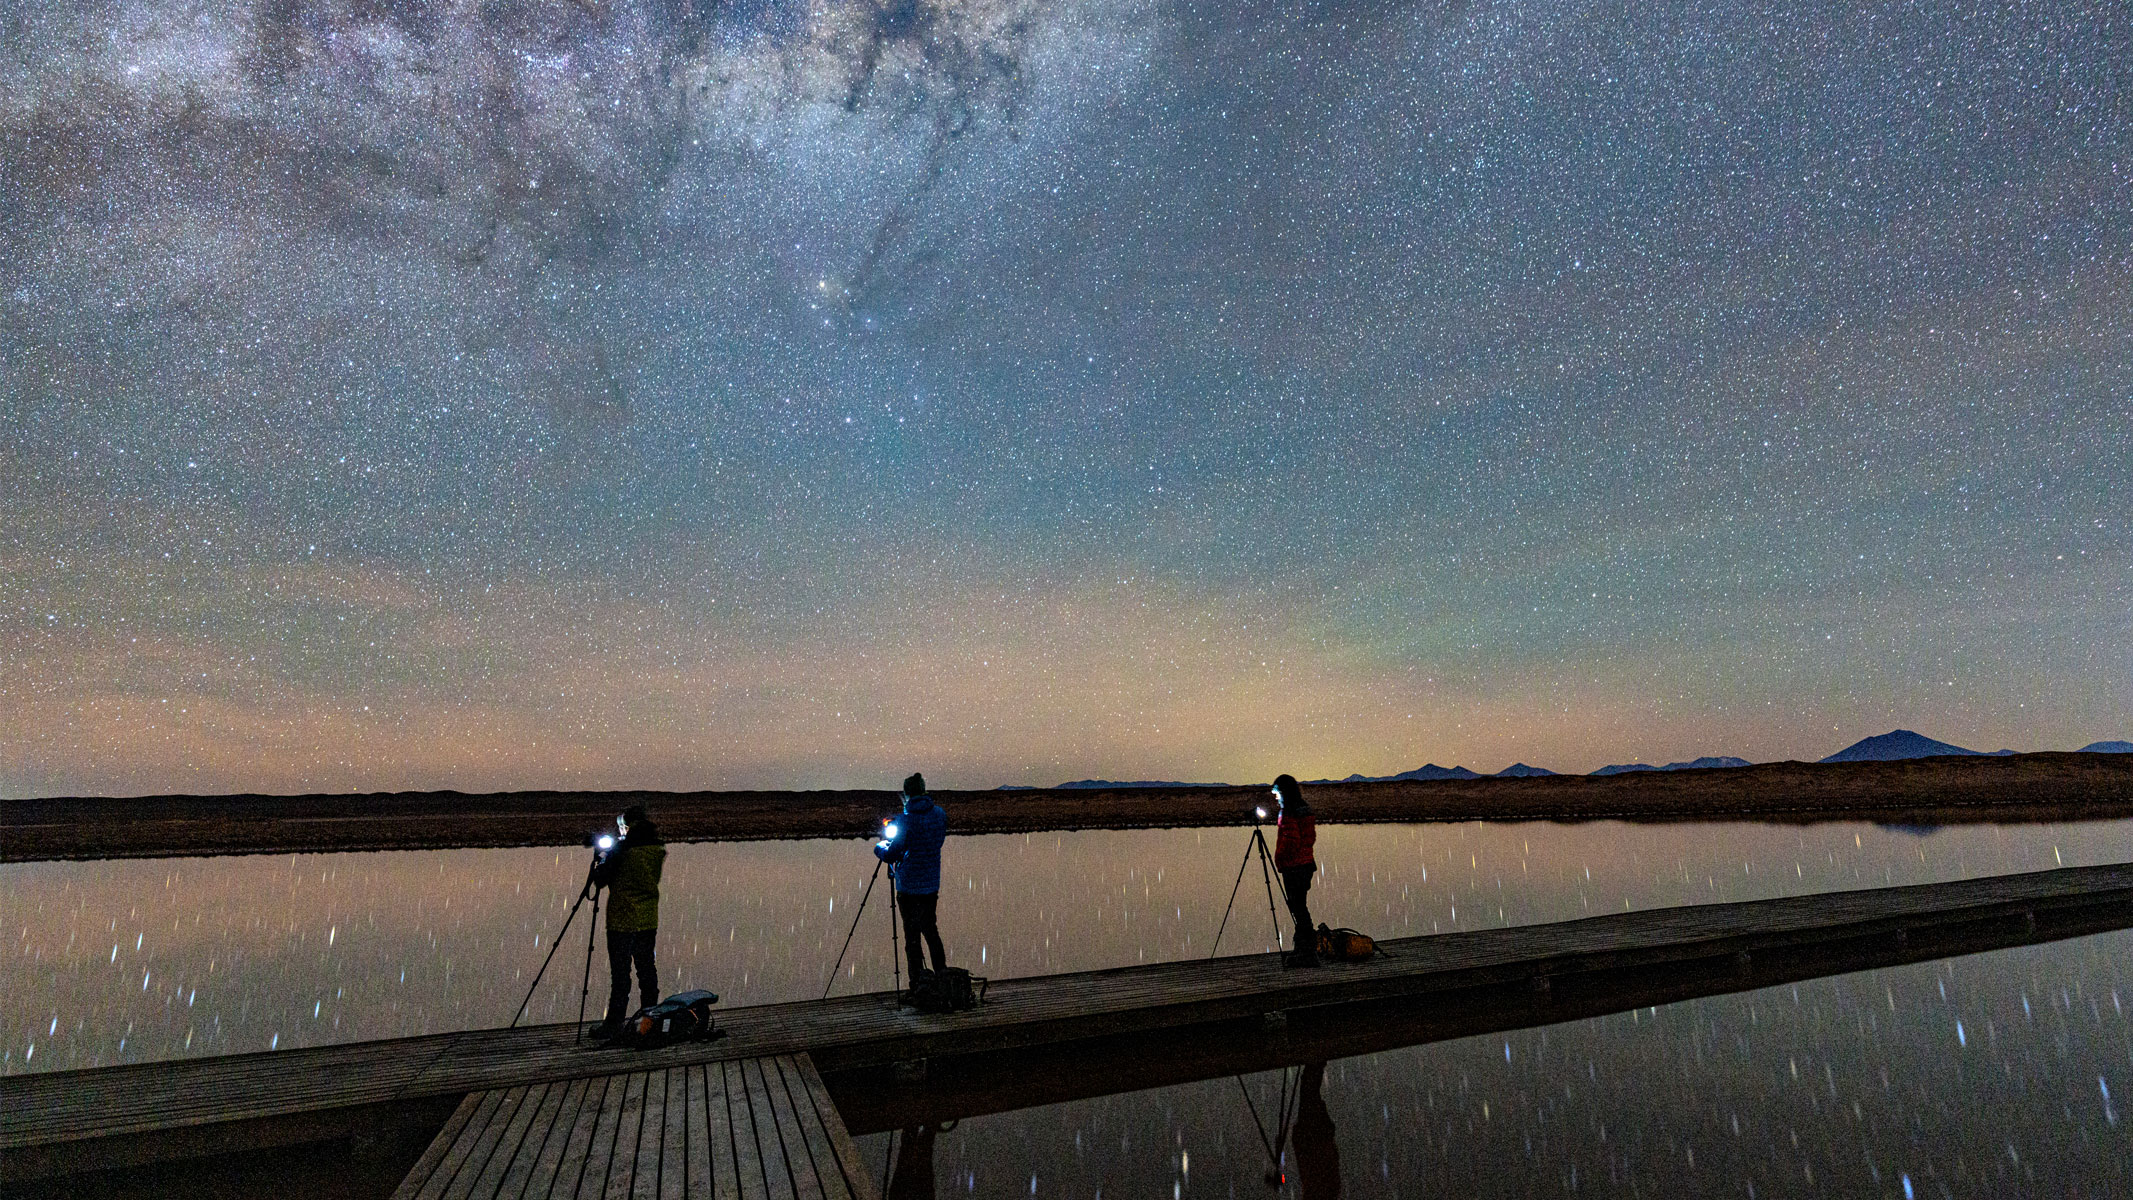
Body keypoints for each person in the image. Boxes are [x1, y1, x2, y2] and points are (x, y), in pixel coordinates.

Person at [591, 804, 666, 1038]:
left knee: (621, 976)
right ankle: (649, 1023)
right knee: (647, 972)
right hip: (647, 918)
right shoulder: (656, 849)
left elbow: (600, 881)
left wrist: (601, 859)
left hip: (621, 920)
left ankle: (613, 1025)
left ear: (628, 825)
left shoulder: (623, 852)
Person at [875, 772, 949, 989]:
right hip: (931, 885)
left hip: (908, 888)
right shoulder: (940, 815)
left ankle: (917, 984)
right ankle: (943, 978)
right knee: (931, 931)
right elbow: (935, 842)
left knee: (912, 937)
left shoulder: (905, 821)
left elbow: (891, 854)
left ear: (907, 794)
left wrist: (879, 847)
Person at [1271, 774, 1318, 967]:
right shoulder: (1304, 809)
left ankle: (1307, 952)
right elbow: (1309, 838)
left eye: (1276, 793)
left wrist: (1280, 857)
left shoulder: (1289, 812)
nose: (1275, 797)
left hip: (1295, 868)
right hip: (1306, 865)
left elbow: (1291, 840)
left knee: (1298, 908)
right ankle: (1304, 949)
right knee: (1300, 907)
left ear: (1283, 792)